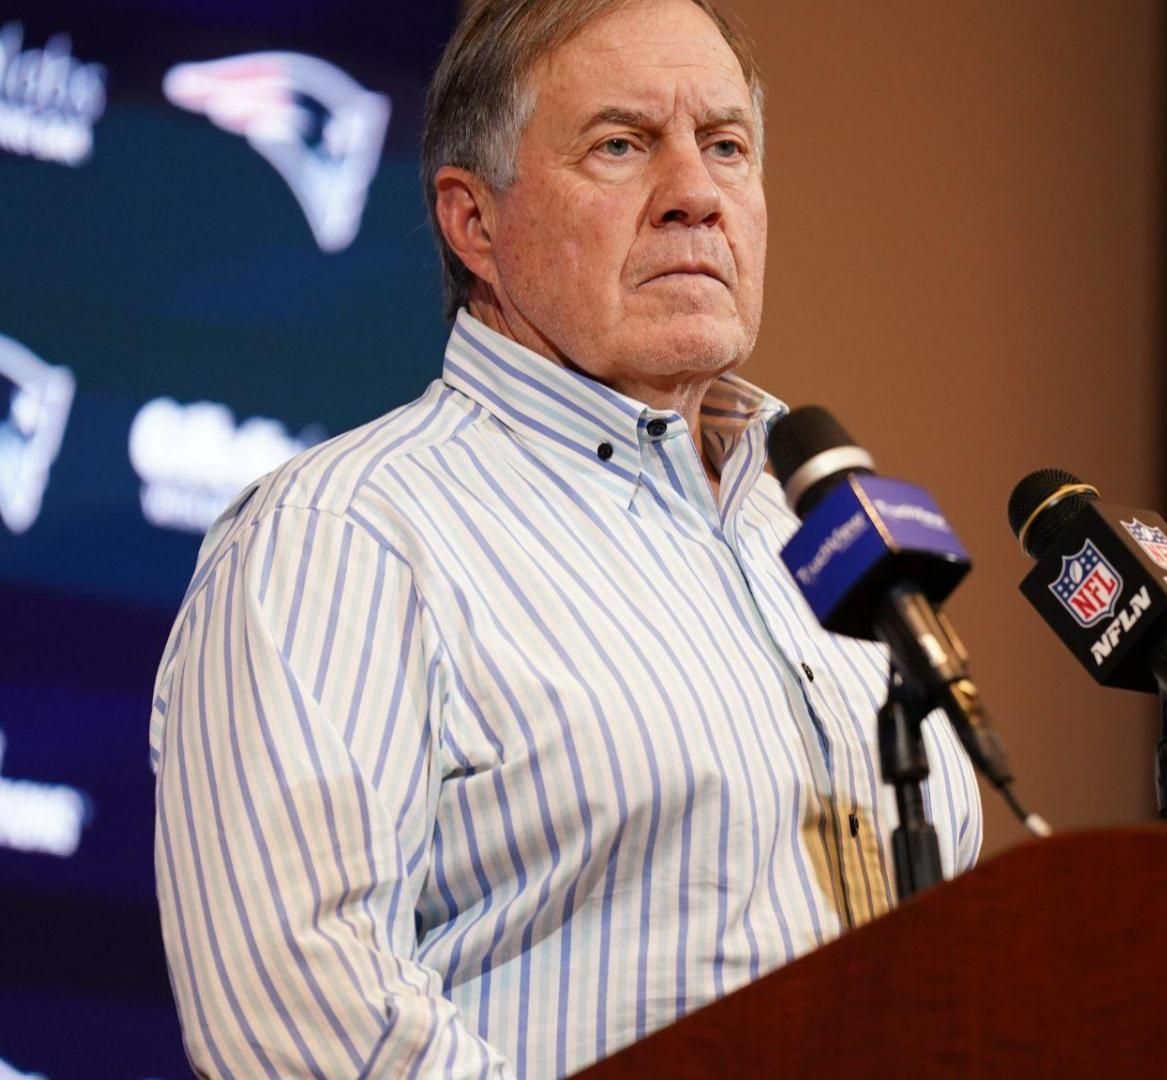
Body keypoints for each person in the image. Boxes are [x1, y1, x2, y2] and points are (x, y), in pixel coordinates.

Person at [148, 0, 982, 1075]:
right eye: (623, 145)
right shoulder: (346, 537)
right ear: (474, 223)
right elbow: (302, 1015)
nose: (695, 195)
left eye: (726, 146)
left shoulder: (821, 539)